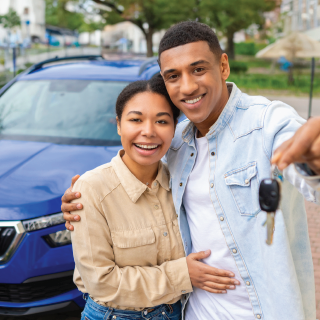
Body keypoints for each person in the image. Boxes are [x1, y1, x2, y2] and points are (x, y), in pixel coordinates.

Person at [63, 21, 320, 320]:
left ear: (223, 66)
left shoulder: (268, 123)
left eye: (198, 69)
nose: (188, 86)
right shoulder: (175, 144)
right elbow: (133, 180)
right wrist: (84, 199)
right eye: (173, 76)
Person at [71, 77, 241, 320]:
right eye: (136, 120)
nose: (148, 132)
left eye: (161, 121)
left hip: (178, 312)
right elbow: (102, 283)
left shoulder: (183, 181)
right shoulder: (91, 190)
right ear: (119, 125)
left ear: (175, 128)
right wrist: (183, 275)